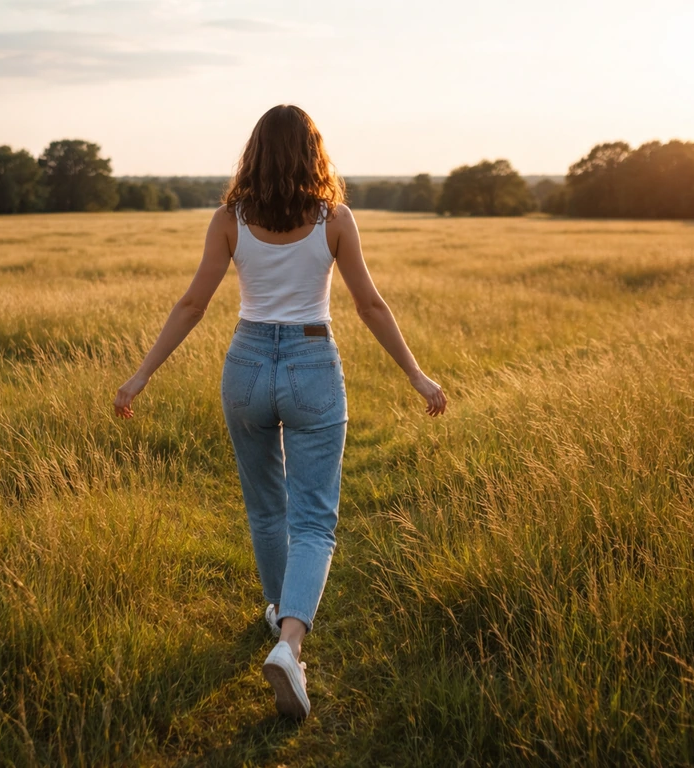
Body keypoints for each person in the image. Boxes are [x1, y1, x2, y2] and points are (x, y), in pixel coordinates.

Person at [114, 104, 447, 719]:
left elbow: (192, 303)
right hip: (312, 364)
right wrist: (417, 375)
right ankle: (290, 642)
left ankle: (278, 620)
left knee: (267, 507)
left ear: (255, 154)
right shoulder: (334, 219)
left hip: (246, 366)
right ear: (313, 153)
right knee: (314, 518)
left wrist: (139, 377)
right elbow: (370, 305)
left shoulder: (228, 220)